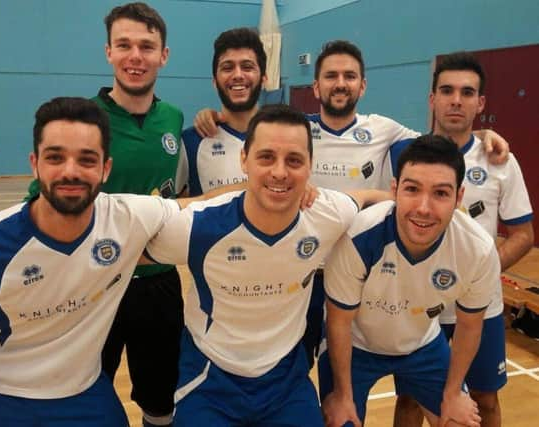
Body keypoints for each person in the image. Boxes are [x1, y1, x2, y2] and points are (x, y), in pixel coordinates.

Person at [192, 40, 511, 369]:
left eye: (349, 75)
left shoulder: (384, 129)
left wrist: (483, 134)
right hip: (299, 269)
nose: (340, 83)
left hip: (361, 274)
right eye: (331, 76)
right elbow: (250, 124)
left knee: (343, 367)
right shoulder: (298, 127)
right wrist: (213, 115)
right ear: (316, 86)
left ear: (363, 84)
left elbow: (441, 141)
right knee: (288, 365)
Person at [144, 104, 388, 427]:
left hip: (285, 381)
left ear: (310, 166)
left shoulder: (327, 214)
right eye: (266, 157)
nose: (280, 172)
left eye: (294, 161)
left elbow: (372, 197)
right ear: (243, 159)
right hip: (211, 377)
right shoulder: (199, 225)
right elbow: (128, 246)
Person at [0, 97, 185, 427]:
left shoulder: (128, 218)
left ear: (105, 168)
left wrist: (278, 191)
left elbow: (202, 206)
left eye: (87, 159)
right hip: (0, 389)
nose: (71, 171)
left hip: (83, 389)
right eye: (55, 157)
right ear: (35, 163)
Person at [26, 4, 184, 426]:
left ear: (164, 55)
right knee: (85, 391)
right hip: (91, 285)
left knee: (160, 398)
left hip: (157, 285)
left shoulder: (173, 119)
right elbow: (38, 202)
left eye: (147, 46)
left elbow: (178, 195)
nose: (136, 56)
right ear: (109, 52)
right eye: (125, 45)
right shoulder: (83, 122)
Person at [392, 52, 534, 427]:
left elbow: (523, 235)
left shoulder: (501, 160)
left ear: (480, 102)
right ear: (432, 99)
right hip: (420, 303)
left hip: (481, 306)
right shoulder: (407, 155)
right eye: (447, 90)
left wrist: (480, 274)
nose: (456, 100)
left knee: (485, 399)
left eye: (467, 92)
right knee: (409, 398)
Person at [319, 135, 500, 427]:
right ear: (394, 190)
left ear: (459, 197)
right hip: (356, 346)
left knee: (460, 421)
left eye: (441, 193)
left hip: (422, 346)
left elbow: (469, 325)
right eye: (412, 189)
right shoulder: (358, 237)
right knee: (341, 421)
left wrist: (453, 393)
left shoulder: (477, 248)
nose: (424, 208)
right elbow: (338, 321)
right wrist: (342, 394)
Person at [179, 27, 266, 196]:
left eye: (247, 67)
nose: (238, 75)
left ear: (264, 79)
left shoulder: (284, 138)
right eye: (227, 68)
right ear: (214, 81)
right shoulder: (190, 141)